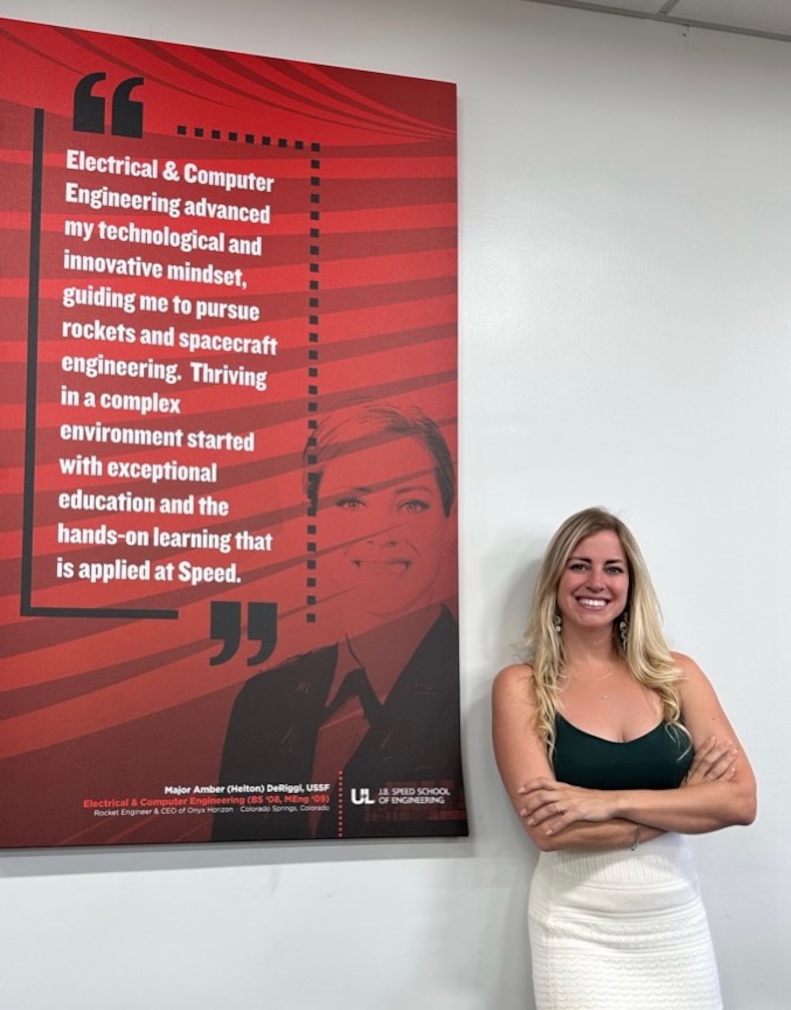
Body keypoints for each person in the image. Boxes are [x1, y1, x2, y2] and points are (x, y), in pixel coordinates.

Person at [492, 507, 756, 1009]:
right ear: (555, 579)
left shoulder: (677, 676)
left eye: (613, 568)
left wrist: (606, 802)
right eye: (579, 564)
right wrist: (685, 803)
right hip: (574, 927)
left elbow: (740, 802)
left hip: (675, 918)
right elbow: (550, 832)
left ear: (632, 584)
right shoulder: (521, 687)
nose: (597, 581)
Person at [213, 402, 466, 841]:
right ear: (314, 524)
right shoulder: (263, 703)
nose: (381, 531)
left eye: (411, 503)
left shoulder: (477, 690)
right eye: (351, 502)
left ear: (448, 522)